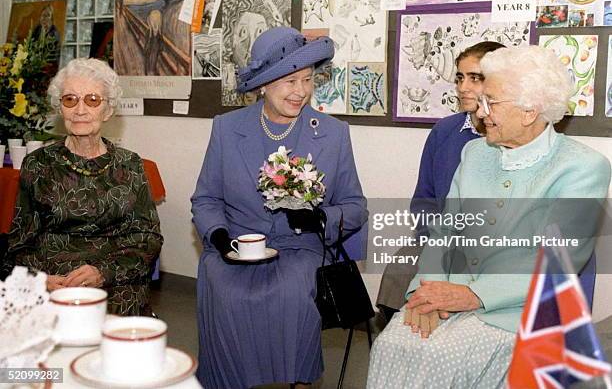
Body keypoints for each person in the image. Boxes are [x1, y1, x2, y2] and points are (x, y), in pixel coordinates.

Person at [367, 45, 611, 388]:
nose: (480, 113)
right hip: (451, 294)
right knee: (391, 344)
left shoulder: (583, 168)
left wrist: (473, 296)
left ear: (529, 111)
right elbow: (443, 233)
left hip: (520, 310)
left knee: (440, 358)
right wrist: (425, 293)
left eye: (490, 102)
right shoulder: (475, 152)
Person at [191, 26, 368, 388]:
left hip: (300, 248)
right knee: (221, 286)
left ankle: (298, 380)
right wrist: (221, 237)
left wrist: (320, 217)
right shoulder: (227, 128)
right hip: (238, 246)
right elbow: (206, 198)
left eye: (307, 79)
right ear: (263, 85)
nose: (301, 91)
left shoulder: (332, 133)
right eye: (289, 81)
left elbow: (355, 206)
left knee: (292, 291)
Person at [0, 58, 163, 316]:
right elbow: (19, 244)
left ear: (107, 110)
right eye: (70, 99)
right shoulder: (37, 164)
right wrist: (39, 279)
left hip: (115, 288)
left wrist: (103, 272)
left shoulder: (130, 165)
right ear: (60, 108)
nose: (80, 109)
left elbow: (148, 239)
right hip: (53, 288)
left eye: (92, 100)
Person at [376, 41, 505, 321]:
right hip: (439, 240)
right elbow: (423, 200)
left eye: (475, 78)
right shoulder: (445, 131)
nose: (463, 87)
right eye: (460, 78)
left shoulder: (511, 135)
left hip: (491, 250)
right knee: (400, 268)